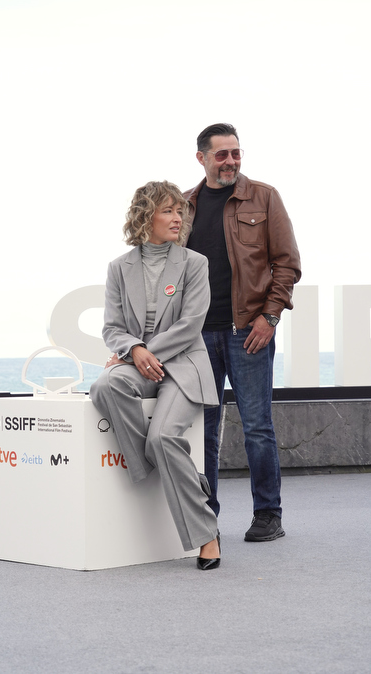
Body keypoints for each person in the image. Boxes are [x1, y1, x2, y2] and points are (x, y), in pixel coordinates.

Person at [90, 180, 221, 570]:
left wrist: (144, 352)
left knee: (163, 437)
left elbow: (191, 324)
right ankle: (165, 468)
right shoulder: (119, 268)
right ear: (146, 217)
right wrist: (133, 350)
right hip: (138, 364)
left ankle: (206, 535)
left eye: (180, 211)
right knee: (105, 385)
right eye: (168, 211)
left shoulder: (194, 263)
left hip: (182, 365)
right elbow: (112, 328)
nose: (178, 218)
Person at [184, 123, 301, 542]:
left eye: (236, 153)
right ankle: (205, 517)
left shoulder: (264, 197)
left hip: (248, 331)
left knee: (257, 427)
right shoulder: (185, 205)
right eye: (222, 154)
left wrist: (269, 318)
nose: (231, 161)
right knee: (203, 431)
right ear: (202, 158)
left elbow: (287, 264)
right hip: (197, 337)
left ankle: (268, 514)